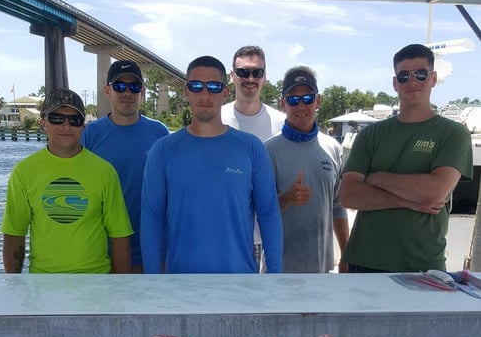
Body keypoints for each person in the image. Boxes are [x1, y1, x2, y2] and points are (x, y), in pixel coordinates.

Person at [140, 55, 283, 274]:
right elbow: (152, 217)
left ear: (225, 93)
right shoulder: (163, 151)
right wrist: (153, 279)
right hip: (181, 283)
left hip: (240, 284)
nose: (204, 94)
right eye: (196, 86)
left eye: (214, 87)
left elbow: (269, 213)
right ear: (186, 91)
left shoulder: (251, 148)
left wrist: (275, 275)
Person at [340, 43, 473, 272]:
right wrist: (407, 200)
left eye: (420, 74)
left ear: (433, 78)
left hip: (423, 266)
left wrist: (376, 178)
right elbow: (349, 196)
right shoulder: (370, 135)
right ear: (395, 83)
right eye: (404, 75)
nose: (412, 81)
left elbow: (434, 192)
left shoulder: (453, 133)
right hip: (364, 262)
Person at [2, 89, 133, 274]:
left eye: (75, 120)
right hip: (43, 285)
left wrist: (121, 287)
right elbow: (14, 233)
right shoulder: (23, 172)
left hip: (96, 284)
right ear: (43, 122)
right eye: (57, 118)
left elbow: (119, 234)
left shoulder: (105, 172)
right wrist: (13, 285)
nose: (66, 125)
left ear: (83, 126)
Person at [81, 59, 169, 271]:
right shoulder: (90, 135)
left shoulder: (159, 133)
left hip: (152, 248)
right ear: (107, 91)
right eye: (120, 86)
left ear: (142, 92)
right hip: (102, 251)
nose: (127, 92)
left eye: (134, 86)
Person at [265, 66, 349, 273]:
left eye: (307, 98)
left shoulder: (333, 148)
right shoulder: (268, 150)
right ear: (283, 103)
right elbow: (258, 212)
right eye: (293, 99)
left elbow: (338, 206)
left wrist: (347, 254)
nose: (300, 105)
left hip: (322, 270)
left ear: (318, 101)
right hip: (280, 271)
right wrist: (286, 198)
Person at [221, 45, 285, 265]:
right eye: (243, 72)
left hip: (268, 238)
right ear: (232, 76)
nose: (250, 78)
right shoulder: (216, 119)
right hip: (227, 237)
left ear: (265, 76)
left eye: (257, 72)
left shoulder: (282, 123)